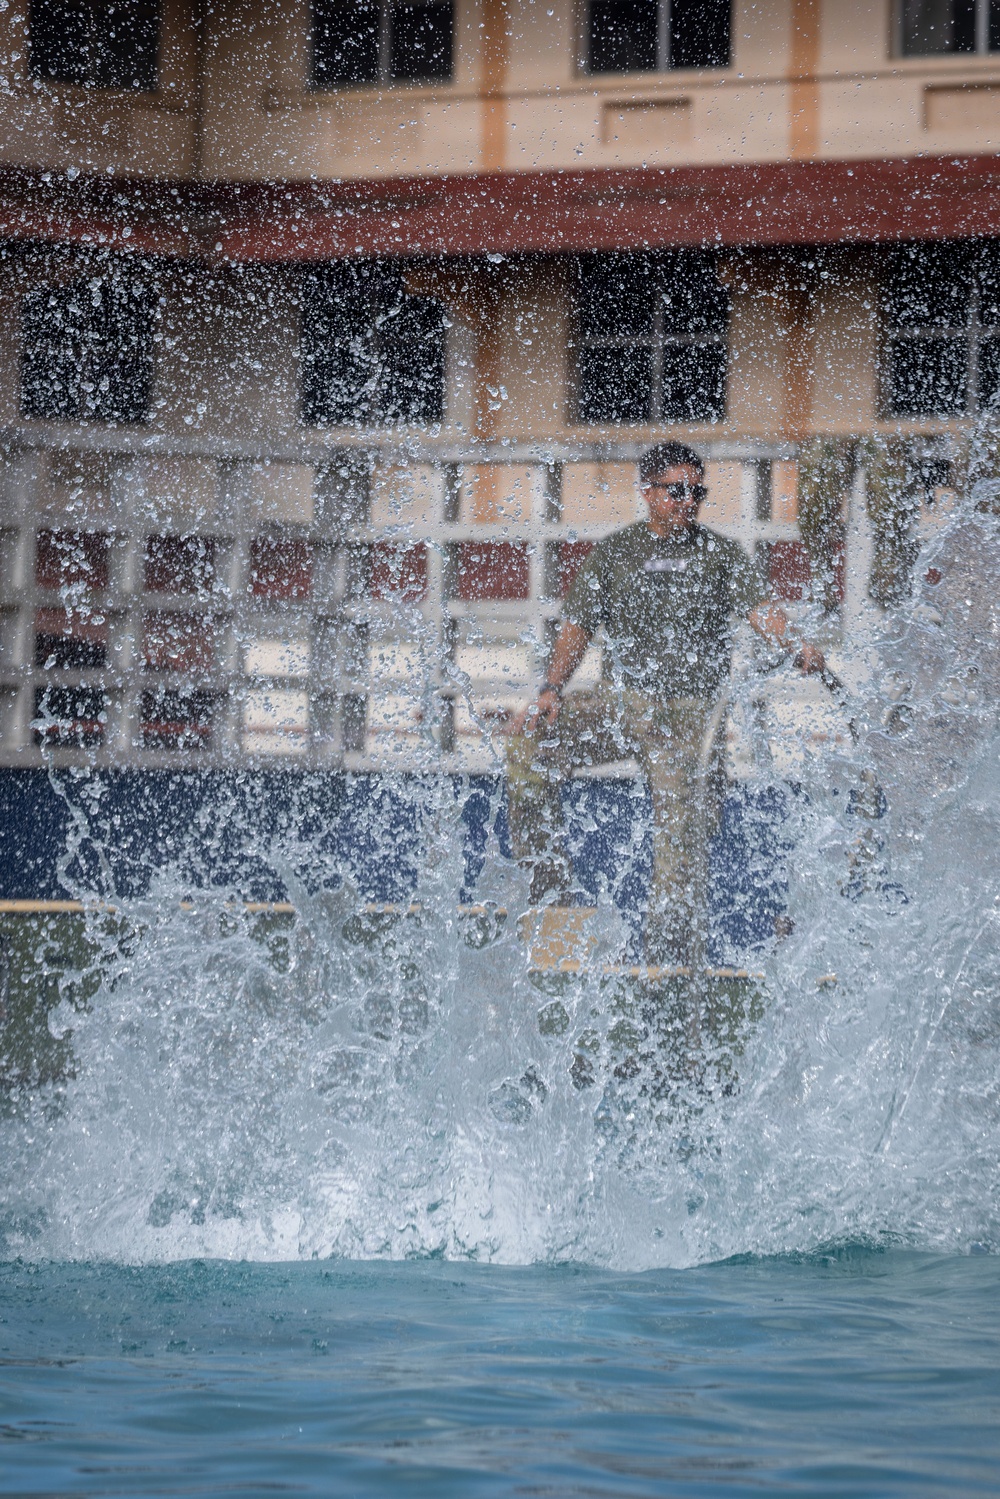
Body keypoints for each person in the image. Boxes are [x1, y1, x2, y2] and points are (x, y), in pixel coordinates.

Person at [506, 442, 825, 965]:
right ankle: (550, 895)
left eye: (696, 491)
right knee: (529, 744)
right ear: (647, 492)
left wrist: (795, 645)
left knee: (680, 846)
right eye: (676, 490)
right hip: (623, 706)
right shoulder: (613, 554)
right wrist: (551, 691)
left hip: (691, 721)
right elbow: (577, 628)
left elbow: (763, 612)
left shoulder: (720, 555)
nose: (687, 501)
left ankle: (668, 960)